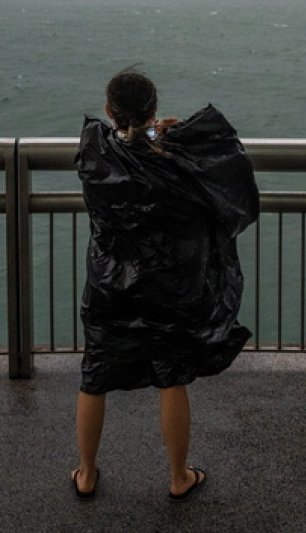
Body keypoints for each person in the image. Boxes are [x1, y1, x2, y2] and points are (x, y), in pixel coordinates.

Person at [71, 67, 258, 501]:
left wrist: (144, 130)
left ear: (107, 111)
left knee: (94, 377)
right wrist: (162, 135)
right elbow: (223, 184)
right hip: (166, 288)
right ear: (154, 109)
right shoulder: (171, 163)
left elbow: (116, 140)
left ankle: (85, 473)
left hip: (108, 285)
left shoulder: (94, 154)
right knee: (171, 378)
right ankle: (178, 477)